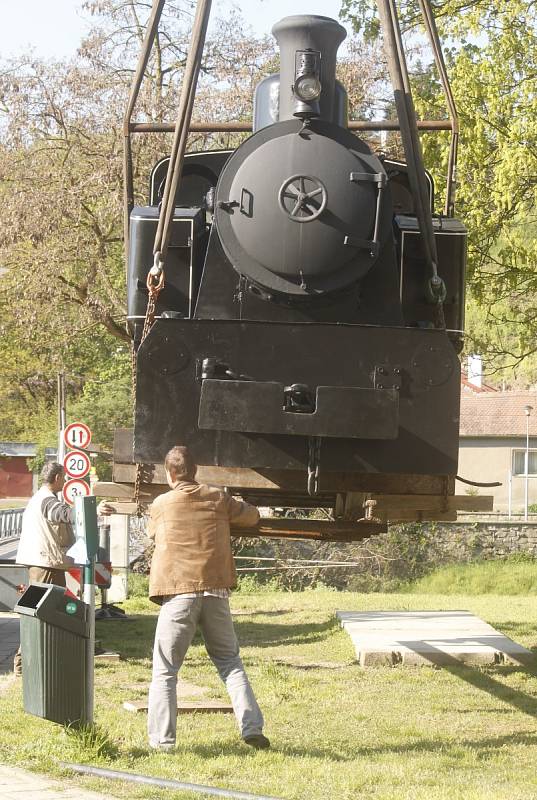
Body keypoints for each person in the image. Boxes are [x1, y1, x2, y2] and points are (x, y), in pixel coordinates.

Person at [143, 445, 269, 751]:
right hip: (215, 592)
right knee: (230, 662)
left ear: (169, 474)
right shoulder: (216, 497)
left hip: (178, 594)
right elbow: (251, 516)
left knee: (165, 670)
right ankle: (251, 727)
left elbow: (150, 534)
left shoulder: (161, 504)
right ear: (195, 471)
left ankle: (163, 742)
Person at [14, 461, 76, 675]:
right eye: (64, 476)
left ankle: (34, 661)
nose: (66, 480)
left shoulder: (38, 498)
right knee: (43, 611)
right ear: (57, 477)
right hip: (45, 563)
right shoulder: (47, 501)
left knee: (43, 610)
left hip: (41, 563)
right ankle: (25, 663)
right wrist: (91, 509)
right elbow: (64, 515)